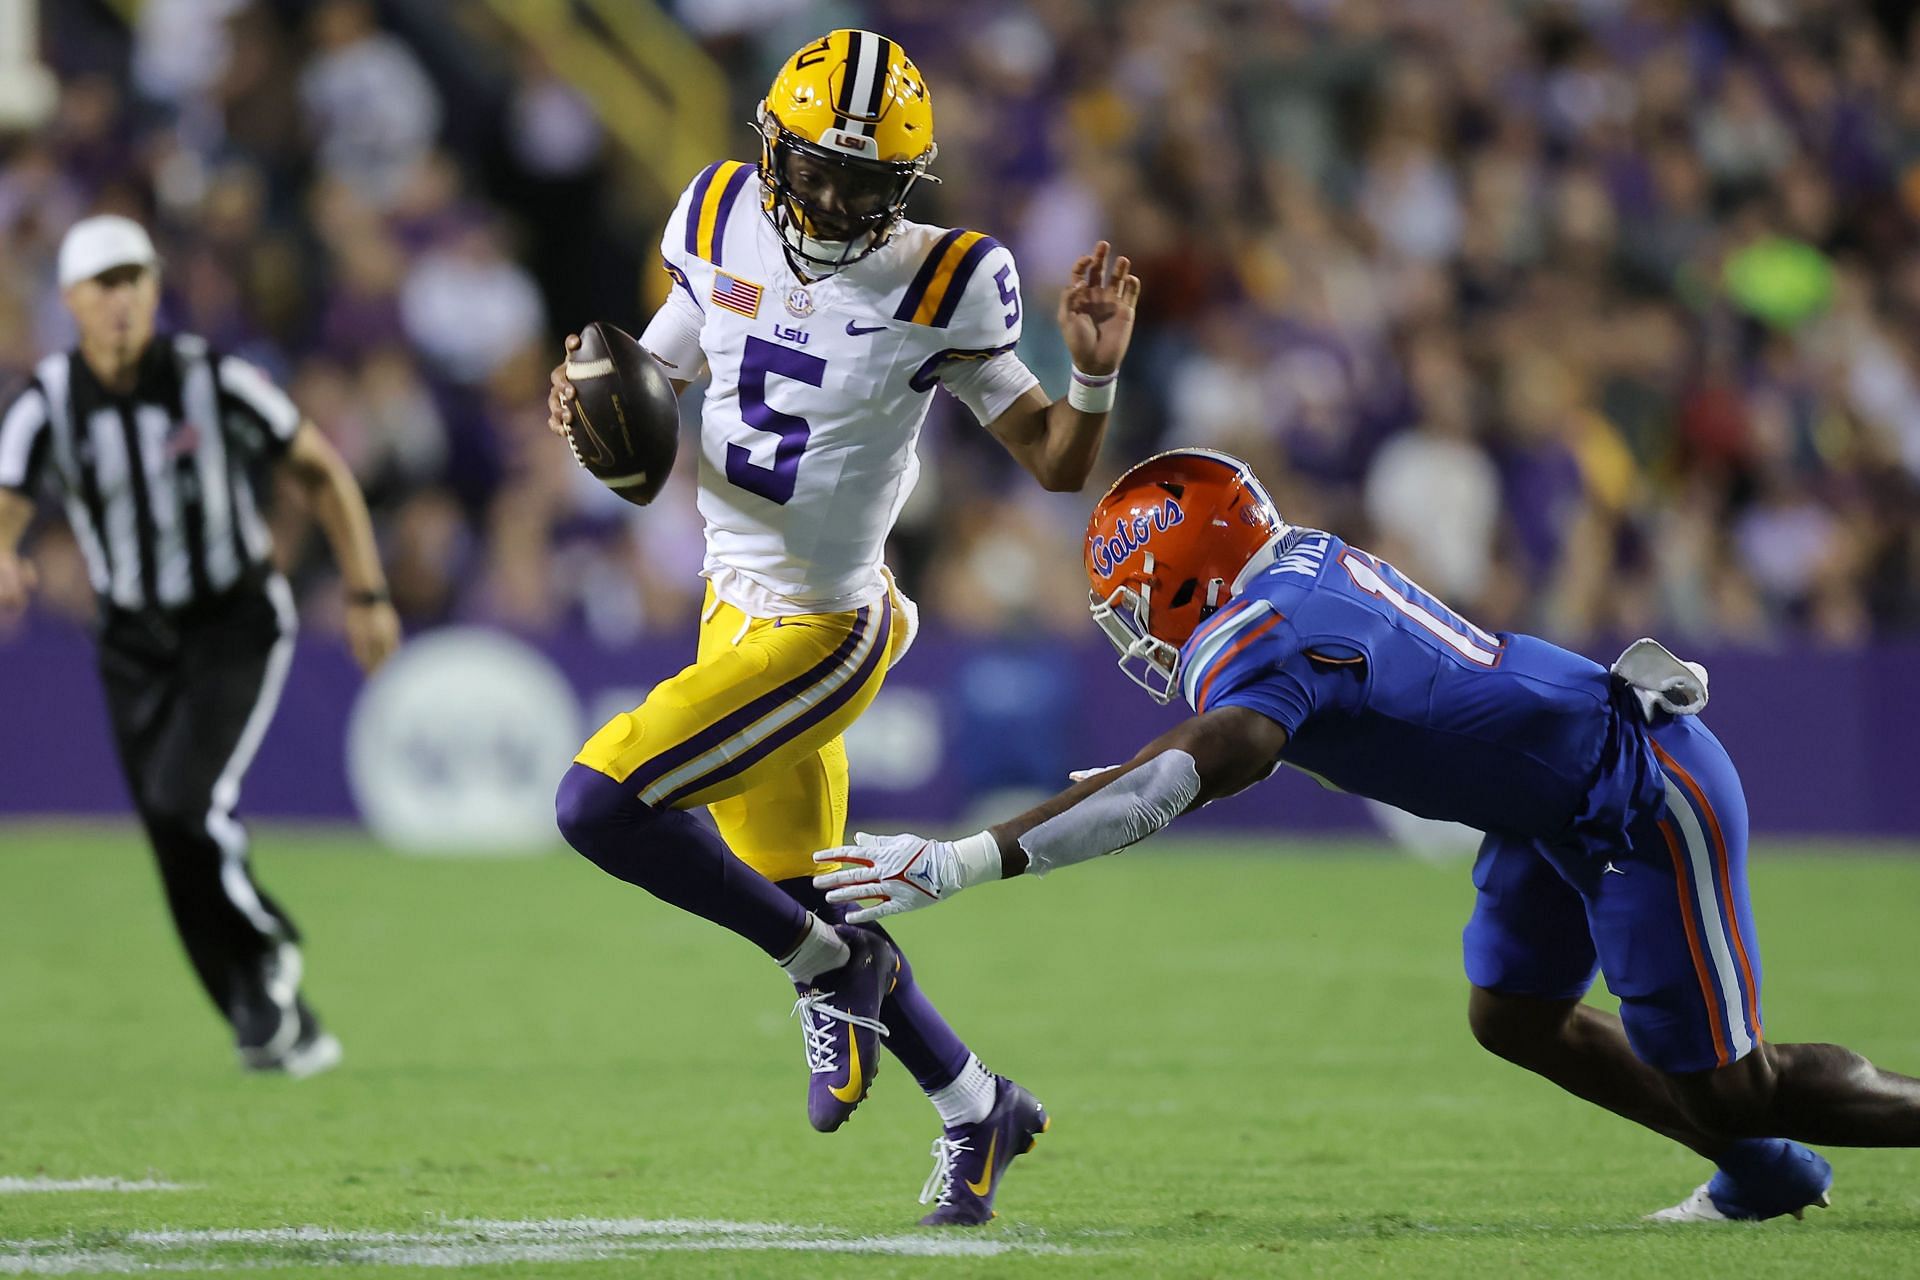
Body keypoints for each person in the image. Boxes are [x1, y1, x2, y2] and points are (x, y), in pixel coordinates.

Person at [814, 447, 1920, 1222]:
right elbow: (1211, 740)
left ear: (1190, 578)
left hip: (1632, 788)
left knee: (1733, 1079)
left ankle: (1763, 1138)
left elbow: (1192, 771)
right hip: (1546, 800)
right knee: (1516, 1012)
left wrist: (961, 857)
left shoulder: (1269, 638)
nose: (1135, 633)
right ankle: (1762, 1172)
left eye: (1137, 605)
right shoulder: (1292, 567)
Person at [546, 30, 1140, 1225]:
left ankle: (833, 969)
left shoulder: (949, 277)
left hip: (830, 629)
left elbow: (1056, 464)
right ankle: (980, 1105)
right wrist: (593, 398)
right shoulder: (716, 208)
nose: (826, 198)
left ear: (905, 186)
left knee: (599, 802)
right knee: (802, 894)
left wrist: (1091, 376)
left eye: (861, 181)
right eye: (812, 167)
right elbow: (661, 366)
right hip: (730, 610)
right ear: (770, 146)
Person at [0, 214, 401, 1077]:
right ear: (69, 300)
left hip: (234, 623)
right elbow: (9, 493)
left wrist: (366, 593)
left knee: (186, 805)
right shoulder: (49, 400)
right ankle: (266, 1017)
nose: (123, 299)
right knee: (168, 830)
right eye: (104, 284)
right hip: (132, 639)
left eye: (136, 279)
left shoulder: (210, 379)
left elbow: (322, 469)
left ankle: (269, 953)